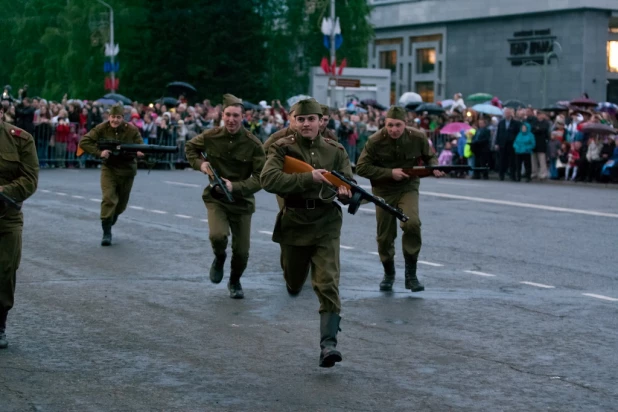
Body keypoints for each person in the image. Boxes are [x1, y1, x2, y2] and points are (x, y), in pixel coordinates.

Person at [260, 99, 353, 368]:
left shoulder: (336, 150)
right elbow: (269, 180)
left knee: (327, 283)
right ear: (292, 121)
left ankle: (329, 344)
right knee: (294, 277)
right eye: (300, 119)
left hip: (326, 222)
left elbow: (349, 183)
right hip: (294, 222)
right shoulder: (281, 148)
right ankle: (292, 282)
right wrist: (309, 178)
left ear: (320, 121)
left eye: (311, 119)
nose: (306, 124)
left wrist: (346, 193)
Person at [356, 106, 444, 294]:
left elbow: (430, 157)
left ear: (406, 124)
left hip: (407, 187)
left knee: (412, 223)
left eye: (398, 125)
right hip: (383, 190)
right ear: (384, 124)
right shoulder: (375, 140)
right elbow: (361, 167)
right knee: (385, 235)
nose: (394, 129)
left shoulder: (417, 137)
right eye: (390, 125)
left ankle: (411, 276)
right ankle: (389, 273)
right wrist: (389, 173)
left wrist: (435, 167)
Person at [185, 94, 265, 299]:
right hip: (217, 197)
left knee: (242, 252)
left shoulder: (253, 144)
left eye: (236, 115)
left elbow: (260, 177)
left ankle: (235, 280)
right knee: (217, 235)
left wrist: (236, 186)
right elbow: (190, 148)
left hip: (242, 201)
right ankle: (219, 257)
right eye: (228, 115)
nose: (231, 119)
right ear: (222, 115)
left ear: (243, 116)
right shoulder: (211, 136)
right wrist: (201, 164)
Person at [0, 105, 39, 349]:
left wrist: (3, 191)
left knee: (5, 270)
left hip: (7, 216)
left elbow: (30, 179)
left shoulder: (21, 139)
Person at [78, 104, 144, 246]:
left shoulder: (131, 130)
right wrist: (99, 153)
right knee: (109, 198)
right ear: (109, 117)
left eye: (118, 117)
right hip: (109, 168)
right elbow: (84, 141)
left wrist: (139, 153)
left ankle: (111, 217)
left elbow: (141, 145)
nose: (115, 120)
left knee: (120, 205)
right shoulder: (102, 128)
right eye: (113, 117)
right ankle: (106, 232)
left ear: (123, 118)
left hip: (127, 170)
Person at [496, 108, 521, 181]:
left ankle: (512, 175)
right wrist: (497, 143)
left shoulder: (516, 123)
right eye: (506, 113)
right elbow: (498, 133)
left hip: (511, 143)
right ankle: (501, 175)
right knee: (502, 160)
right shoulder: (501, 123)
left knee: (512, 160)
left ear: (511, 114)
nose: (507, 114)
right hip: (502, 143)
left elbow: (517, 133)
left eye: (508, 113)